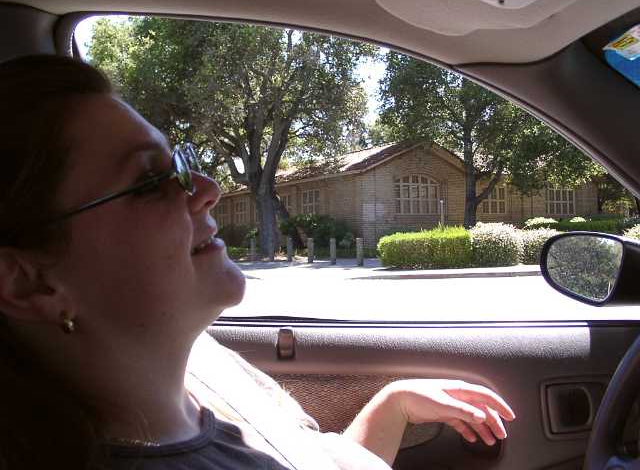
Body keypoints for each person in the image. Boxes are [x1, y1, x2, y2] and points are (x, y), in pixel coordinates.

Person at [0, 54, 515, 470]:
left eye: (178, 164)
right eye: (149, 181)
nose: (207, 188)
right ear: (30, 283)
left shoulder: (200, 366)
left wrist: (392, 405)